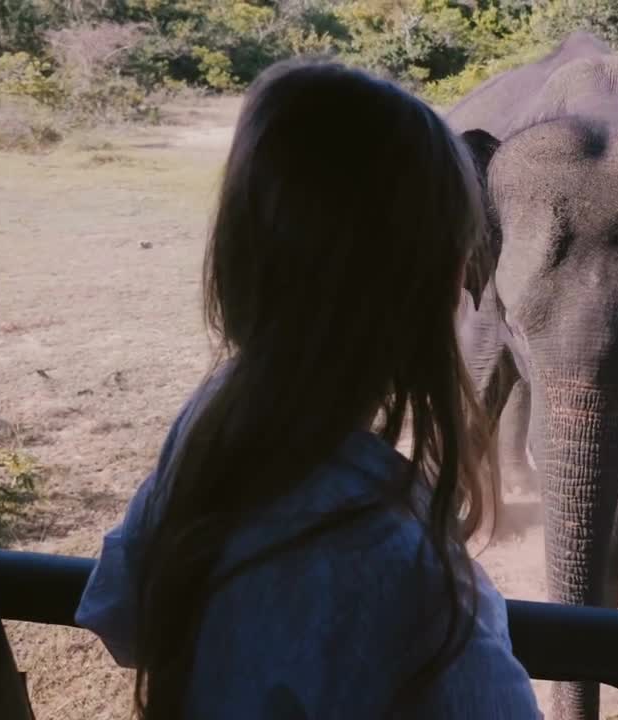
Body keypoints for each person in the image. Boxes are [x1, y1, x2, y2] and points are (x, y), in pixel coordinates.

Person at [75, 57, 540, 720]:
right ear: (441, 285)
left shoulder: (209, 428)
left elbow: (122, 617)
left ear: (237, 261)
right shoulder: (399, 564)